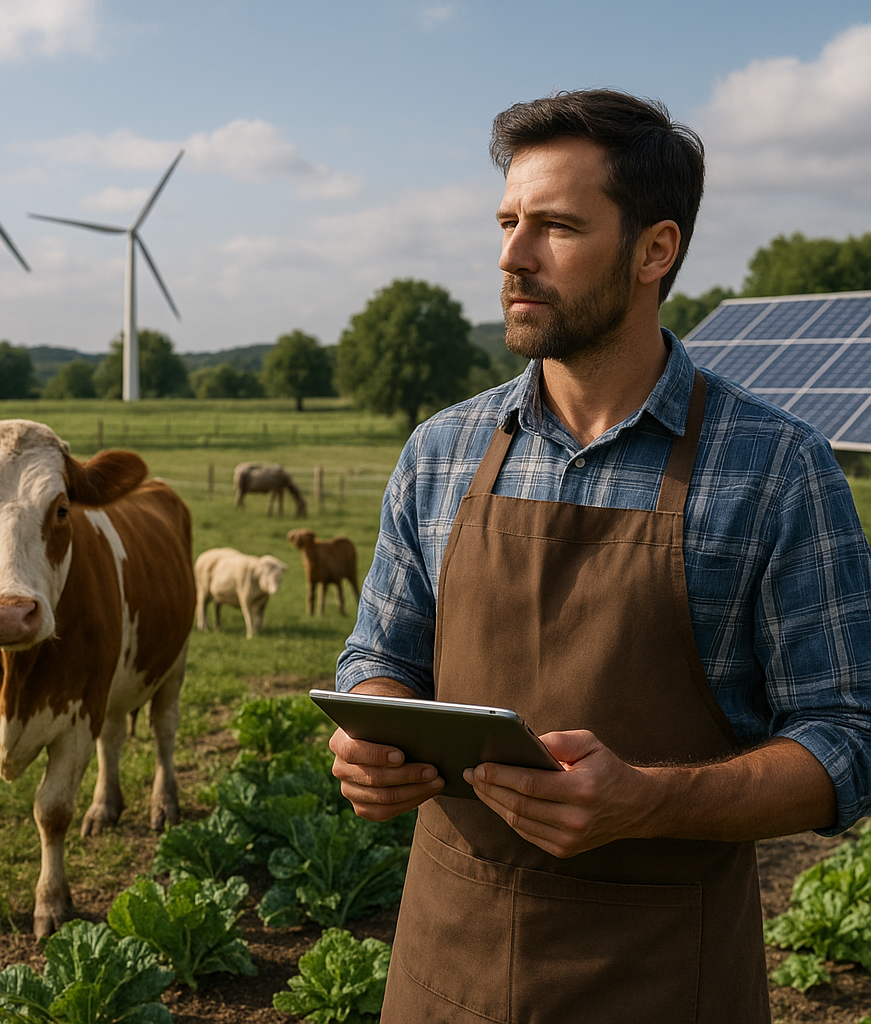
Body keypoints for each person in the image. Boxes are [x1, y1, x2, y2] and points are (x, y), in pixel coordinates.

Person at [331, 89, 871, 1024]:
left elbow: (849, 739)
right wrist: (371, 733)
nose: (511, 256)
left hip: (664, 979)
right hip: (442, 974)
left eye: (556, 227)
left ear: (655, 250)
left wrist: (648, 800)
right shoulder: (442, 451)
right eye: (507, 221)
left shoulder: (778, 469)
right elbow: (379, 657)